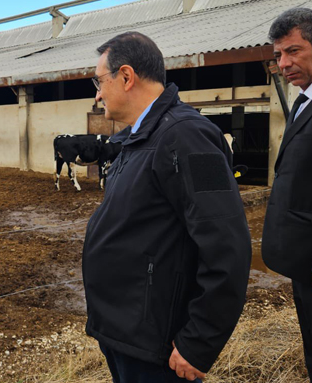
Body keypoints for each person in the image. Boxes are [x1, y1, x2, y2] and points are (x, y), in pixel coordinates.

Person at [81, 31, 251, 382]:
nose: (97, 94)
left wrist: (199, 343)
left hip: (159, 344)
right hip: (128, 332)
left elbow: (227, 246)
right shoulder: (138, 137)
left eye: (99, 81)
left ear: (126, 77)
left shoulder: (187, 138)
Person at [261, 7, 312, 379]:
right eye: (279, 54)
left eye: (293, 50)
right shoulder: (302, 102)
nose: (283, 63)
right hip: (303, 258)